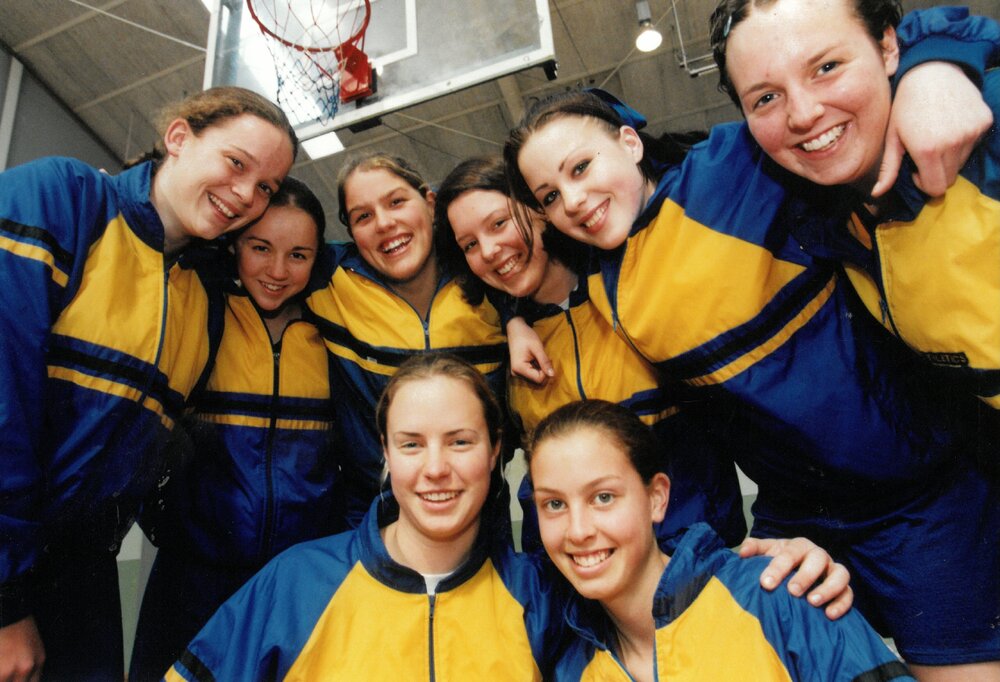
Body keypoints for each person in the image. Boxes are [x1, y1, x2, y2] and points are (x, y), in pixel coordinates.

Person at [501, 14, 999, 677]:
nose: (575, 200)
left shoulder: (738, 165)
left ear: (628, 141)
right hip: (799, 520)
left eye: (582, 167)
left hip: (918, 498)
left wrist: (932, 67)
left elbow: (887, 41)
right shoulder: (607, 289)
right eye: (550, 195)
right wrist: (511, 315)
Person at [0, 86, 297, 681]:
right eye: (237, 163)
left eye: (265, 186)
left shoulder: (205, 296)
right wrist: (6, 599)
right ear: (179, 138)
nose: (246, 195)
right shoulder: (60, 197)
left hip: (81, 570)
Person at [165, 353, 565, 680]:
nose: (436, 468)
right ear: (386, 453)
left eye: (460, 442)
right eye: (411, 444)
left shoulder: (538, 596)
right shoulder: (296, 583)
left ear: (495, 450)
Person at [435, 155, 749, 553]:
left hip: (693, 560)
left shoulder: (632, 291)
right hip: (578, 587)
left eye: (499, 223)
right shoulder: (499, 350)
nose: (491, 250)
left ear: (540, 212)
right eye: (470, 245)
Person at [712, 1, 1000, 413]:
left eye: (827, 67)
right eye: (767, 98)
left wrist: (937, 60)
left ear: (886, 47)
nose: (804, 114)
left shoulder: (987, 127)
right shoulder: (825, 220)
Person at [526, 399, 915, 682]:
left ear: (656, 497)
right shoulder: (571, 667)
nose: (578, 531)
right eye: (554, 503)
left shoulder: (774, 595)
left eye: (603, 497)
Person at [128, 177, 342, 681]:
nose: (276, 270)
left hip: (299, 578)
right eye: (260, 248)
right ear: (234, 244)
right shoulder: (200, 305)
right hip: (192, 574)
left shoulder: (333, 329)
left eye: (298, 255)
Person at [304, 153, 509, 527]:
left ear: (430, 203)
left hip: (481, 524)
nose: (384, 223)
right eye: (362, 216)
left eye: (396, 201)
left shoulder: (489, 279)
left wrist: (518, 320)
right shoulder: (328, 282)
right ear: (351, 233)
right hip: (373, 524)